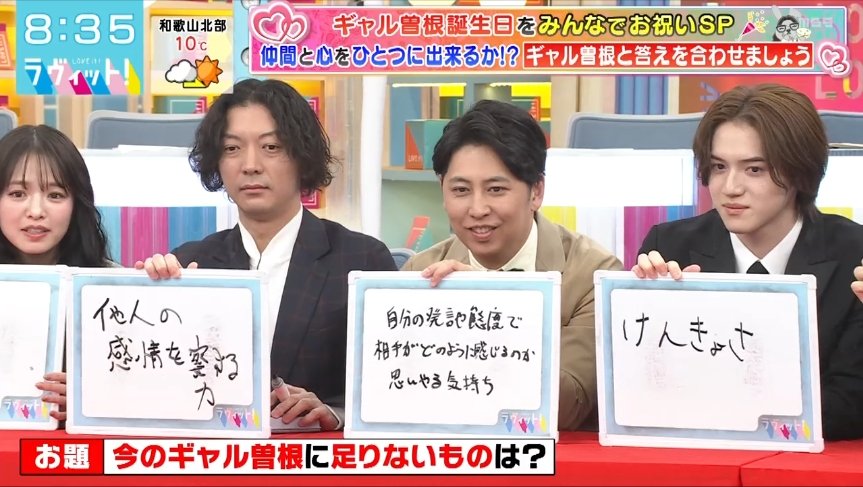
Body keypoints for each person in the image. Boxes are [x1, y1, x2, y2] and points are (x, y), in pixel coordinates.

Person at [137, 78, 397, 431]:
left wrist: (334, 413)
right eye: (232, 148)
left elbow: (391, 384)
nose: (250, 165)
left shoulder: (361, 260)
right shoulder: (189, 265)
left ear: (302, 155)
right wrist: (149, 301)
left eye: (271, 147)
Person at [632, 83, 863, 440]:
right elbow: (643, 392)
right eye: (718, 167)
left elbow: (851, 402)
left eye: (754, 169)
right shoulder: (670, 247)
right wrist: (647, 314)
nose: (730, 187)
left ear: (800, 171)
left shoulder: (853, 253)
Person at [402, 99, 623, 431]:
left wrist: (490, 306)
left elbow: (567, 407)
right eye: (460, 190)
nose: (477, 209)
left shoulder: (592, 275)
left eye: (496, 189)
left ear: (536, 192)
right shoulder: (419, 272)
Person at [0, 124, 113, 421]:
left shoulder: (110, 288)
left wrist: (92, 399)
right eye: (17, 193)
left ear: (77, 204)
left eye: (55, 194)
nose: (36, 210)